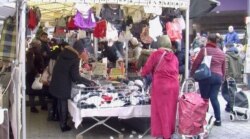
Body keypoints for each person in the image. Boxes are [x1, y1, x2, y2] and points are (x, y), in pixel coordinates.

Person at [49, 39, 96, 132]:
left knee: (59, 101)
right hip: (63, 83)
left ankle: (59, 119)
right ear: (79, 51)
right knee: (63, 102)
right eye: (83, 51)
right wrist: (89, 82)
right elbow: (75, 77)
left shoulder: (64, 52)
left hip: (57, 80)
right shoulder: (75, 58)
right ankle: (63, 125)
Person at [141, 35, 179, 139]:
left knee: (161, 111)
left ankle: (165, 135)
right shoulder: (174, 57)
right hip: (174, 86)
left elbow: (146, 69)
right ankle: (170, 132)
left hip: (161, 86)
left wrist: (142, 74)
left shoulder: (156, 54)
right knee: (171, 110)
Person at [191, 33, 226, 126]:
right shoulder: (221, 52)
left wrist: (192, 74)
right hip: (218, 77)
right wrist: (222, 78)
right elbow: (224, 67)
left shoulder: (204, 50)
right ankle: (218, 120)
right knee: (214, 98)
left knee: (205, 99)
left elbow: (196, 63)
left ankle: (203, 120)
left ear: (209, 40)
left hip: (206, 76)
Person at [26, 40, 47, 113]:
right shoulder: (31, 53)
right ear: (35, 45)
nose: (41, 45)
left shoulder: (37, 52)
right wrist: (36, 73)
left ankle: (43, 105)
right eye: (39, 44)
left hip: (38, 74)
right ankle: (32, 107)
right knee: (32, 91)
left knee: (41, 90)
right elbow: (30, 64)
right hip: (33, 75)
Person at [222, 43, 243, 112]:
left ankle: (232, 105)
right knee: (232, 92)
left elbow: (226, 67)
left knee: (224, 92)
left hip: (228, 77)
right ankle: (229, 107)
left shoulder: (227, 56)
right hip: (236, 77)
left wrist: (226, 76)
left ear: (228, 47)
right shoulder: (238, 56)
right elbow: (241, 66)